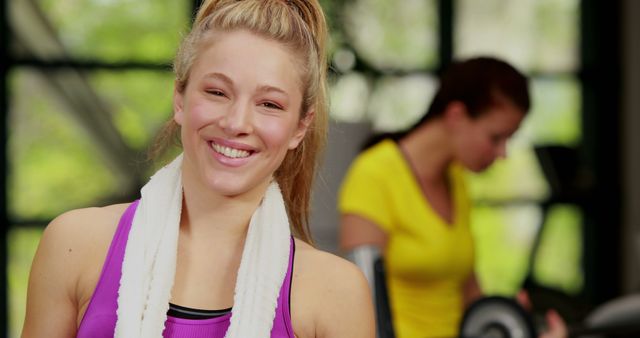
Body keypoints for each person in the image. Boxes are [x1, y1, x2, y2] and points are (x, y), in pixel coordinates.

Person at [22, 1, 375, 337]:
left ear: (300, 126)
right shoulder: (75, 246)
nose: (237, 122)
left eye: (269, 104)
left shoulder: (335, 294)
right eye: (217, 92)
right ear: (180, 97)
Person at [338, 57, 567, 338]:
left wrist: (506, 316)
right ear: (457, 115)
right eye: (496, 138)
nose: (503, 154)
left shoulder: (456, 178)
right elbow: (359, 305)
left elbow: (469, 293)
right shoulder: (374, 174)